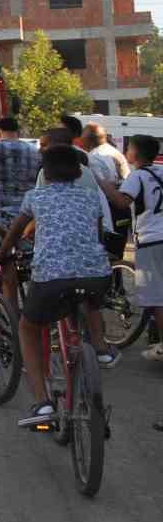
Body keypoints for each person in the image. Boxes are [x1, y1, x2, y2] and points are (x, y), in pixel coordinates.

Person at [0, 144, 115, 428]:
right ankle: (100, 349)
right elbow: (95, 235)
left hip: (51, 277)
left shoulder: (35, 197)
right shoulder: (91, 197)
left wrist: (2, 253)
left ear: (45, 173)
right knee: (90, 297)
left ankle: (42, 404)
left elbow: (14, 233)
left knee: (28, 327)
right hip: (97, 275)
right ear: (78, 172)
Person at [94, 133, 163, 371]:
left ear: (135, 154)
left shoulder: (138, 175)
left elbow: (122, 202)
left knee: (157, 297)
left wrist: (102, 183)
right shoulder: (160, 171)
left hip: (152, 239)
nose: (126, 153)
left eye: (129, 148)